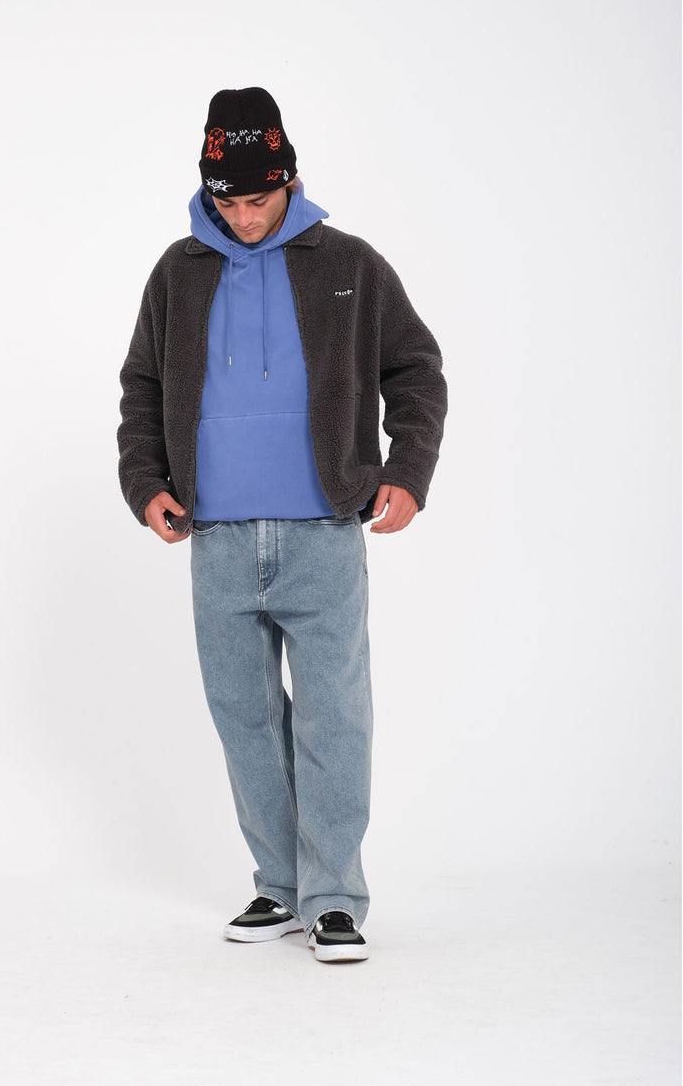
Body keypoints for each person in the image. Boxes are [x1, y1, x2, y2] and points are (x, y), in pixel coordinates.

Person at [117, 87, 447, 963]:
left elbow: (416, 369)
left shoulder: (350, 263)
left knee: (333, 717)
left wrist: (406, 471)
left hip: (321, 530)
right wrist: (144, 483)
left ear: (289, 178)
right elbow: (141, 385)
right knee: (245, 719)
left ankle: (334, 896)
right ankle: (280, 883)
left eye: (258, 198)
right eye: (226, 200)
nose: (243, 215)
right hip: (216, 536)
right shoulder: (177, 271)